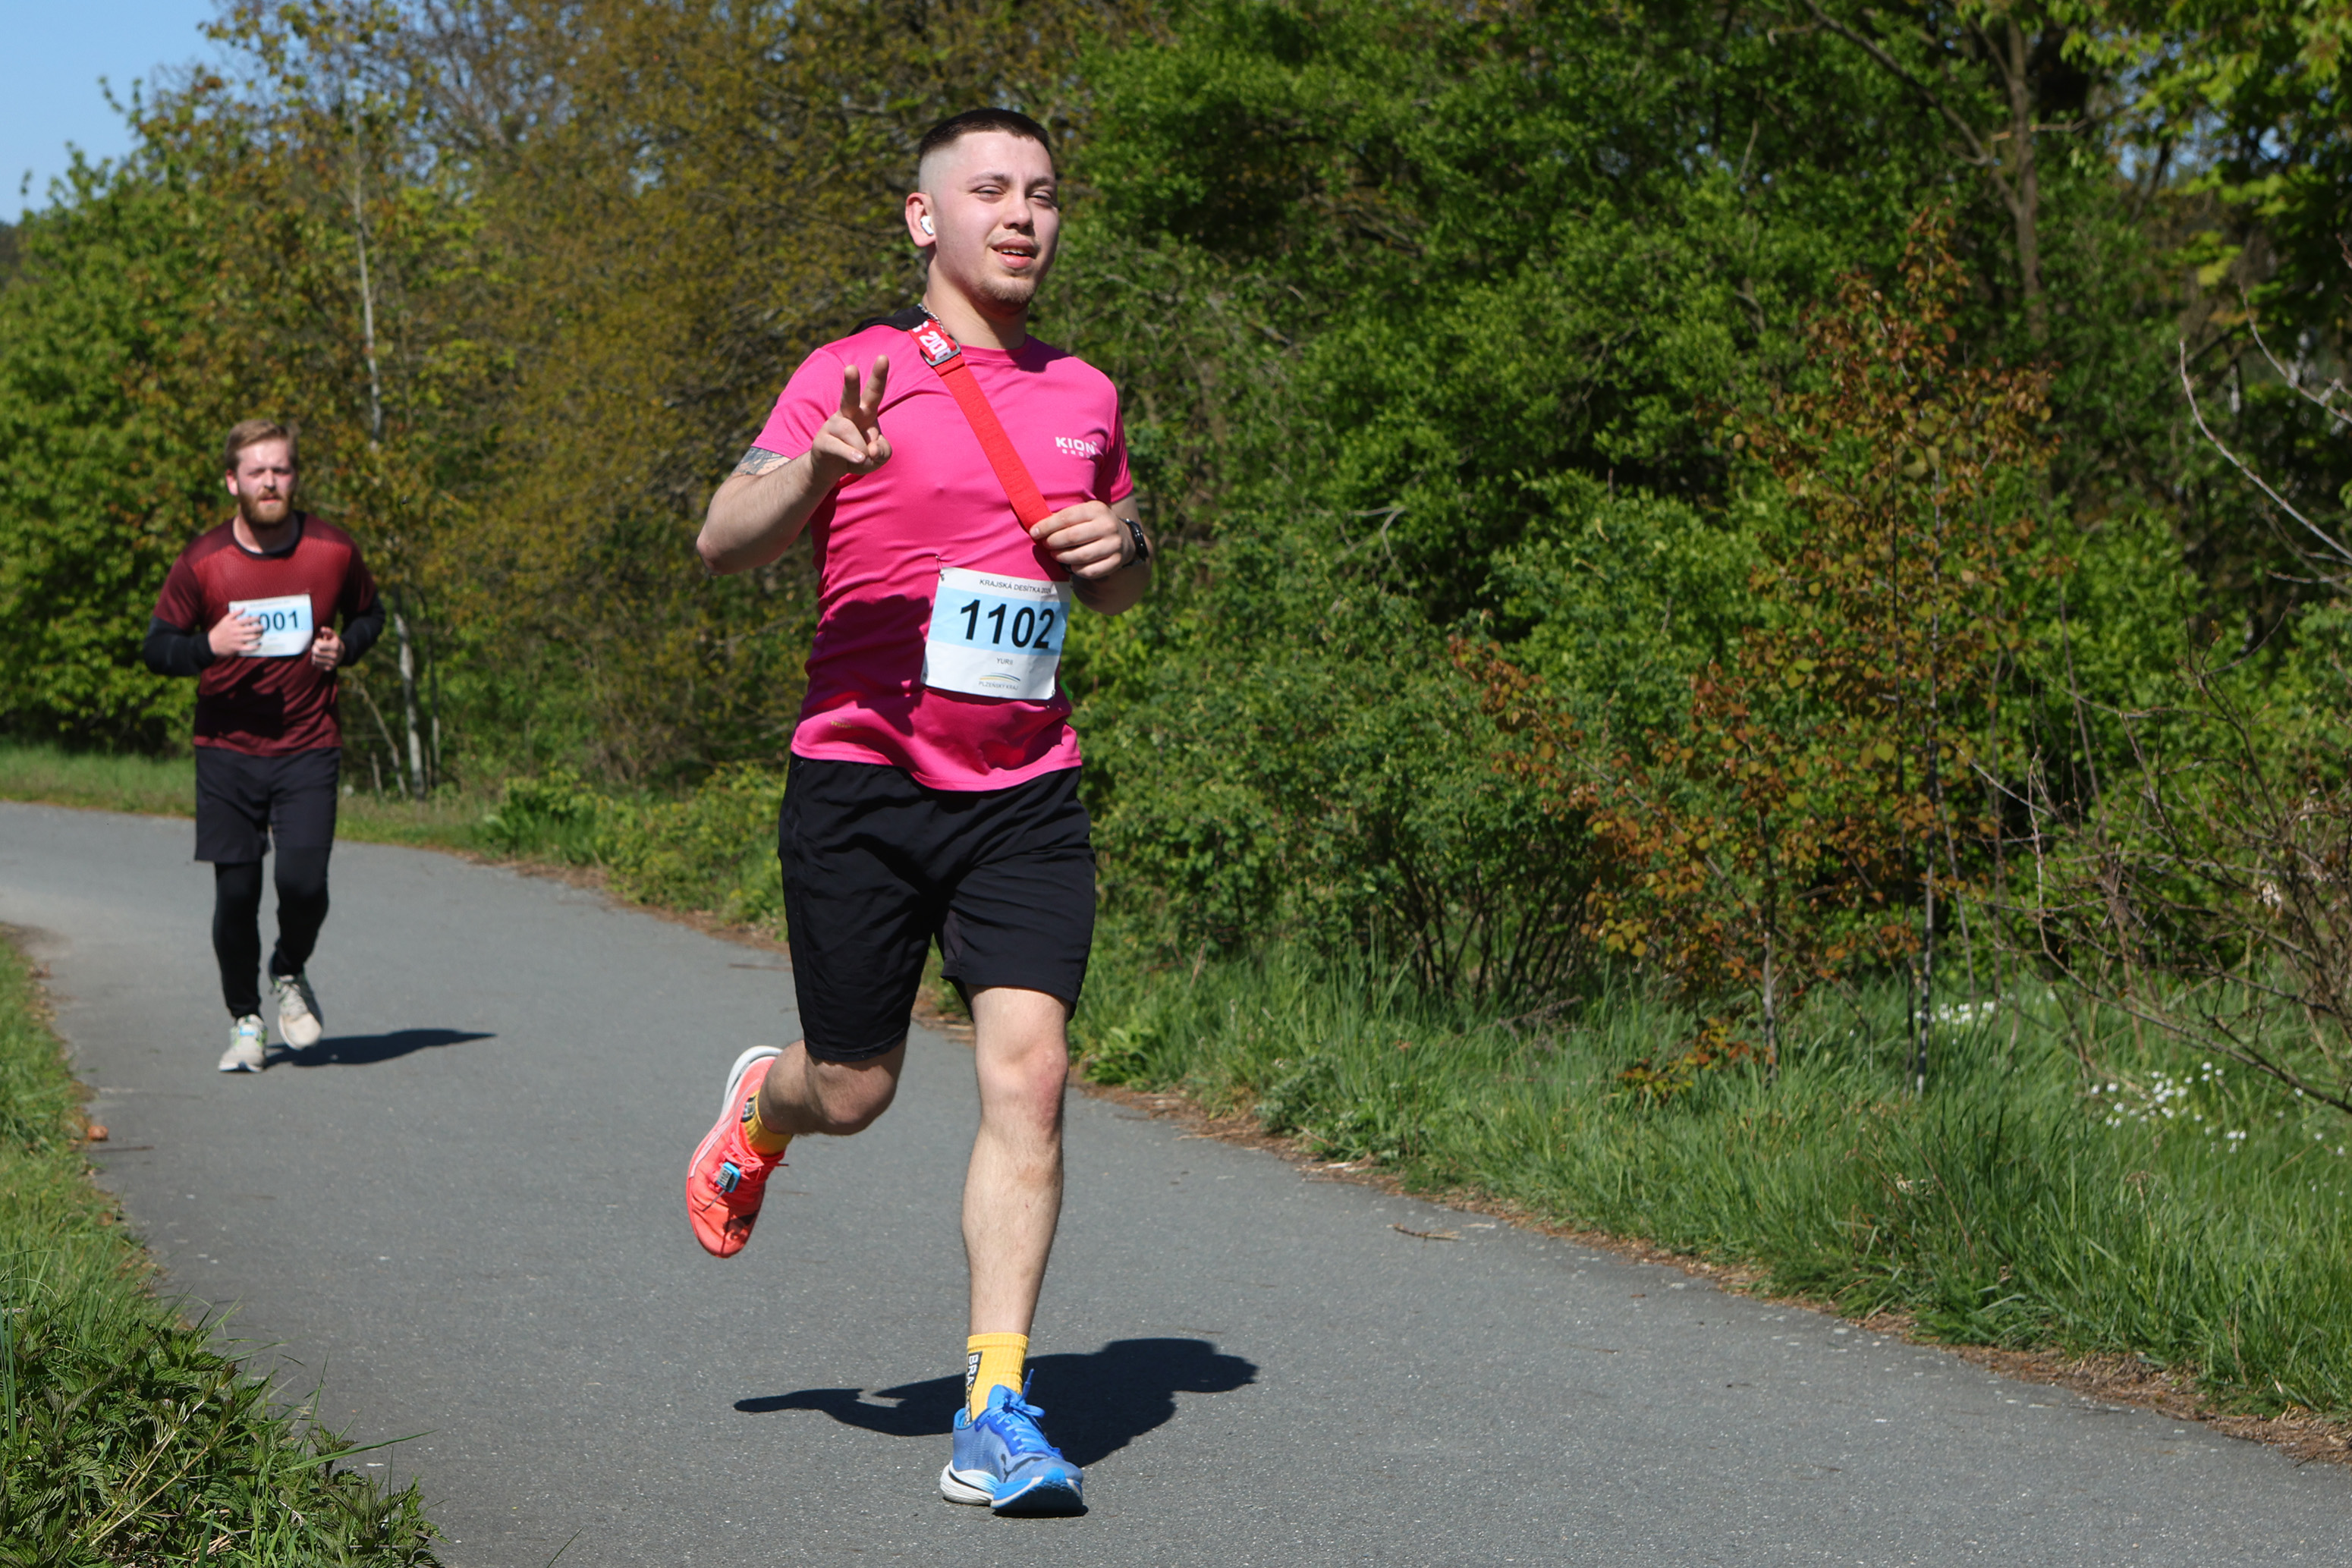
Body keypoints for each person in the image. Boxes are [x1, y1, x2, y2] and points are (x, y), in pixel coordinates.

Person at [684, 107, 1151, 1516]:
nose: (1023, 215)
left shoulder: (1087, 391)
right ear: (924, 217)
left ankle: (995, 1405)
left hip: (1024, 784)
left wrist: (1123, 544)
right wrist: (817, 469)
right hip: (864, 778)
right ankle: (763, 1109)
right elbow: (721, 538)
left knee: (1033, 1073)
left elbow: (1120, 581)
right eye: (991, 189)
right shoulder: (851, 369)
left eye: (1044, 193)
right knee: (858, 1087)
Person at [143, 419, 384, 1073]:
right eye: (257, 472)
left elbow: (371, 615)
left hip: (308, 744)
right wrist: (209, 645)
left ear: (294, 477)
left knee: (304, 884)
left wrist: (345, 648)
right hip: (226, 749)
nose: (270, 482)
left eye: (281, 470)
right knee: (237, 894)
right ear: (233, 482)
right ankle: (245, 1018)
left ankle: (289, 967)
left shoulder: (333, 550)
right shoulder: (203, 560)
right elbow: (156, 647)